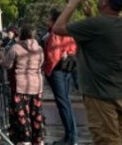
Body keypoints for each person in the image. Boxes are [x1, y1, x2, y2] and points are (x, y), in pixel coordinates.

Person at [53, 0, 122, 145]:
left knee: (106, 139)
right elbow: (101, 36)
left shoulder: (97, 24)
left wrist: (72, 4)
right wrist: (90, 16)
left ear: (105, 2)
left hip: (99, 94)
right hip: (118, 91)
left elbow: (58, 28)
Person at [3, 25, 45, 145]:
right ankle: (38, 140)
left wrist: (1, 60)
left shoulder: (15, 47)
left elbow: (8, 64)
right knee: (36, 115)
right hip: (37, 85)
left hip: (20, 86)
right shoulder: (40, 49)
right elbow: (41, 63)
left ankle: (25, 140)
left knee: (22, 116)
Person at [44, 8, 78, 145]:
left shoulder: (56, 31)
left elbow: (53, 53)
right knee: (66, 103)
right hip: (67, 68)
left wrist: (48, 70)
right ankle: (70, 135)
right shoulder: (69, 30)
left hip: (57, 69)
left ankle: (71, 137)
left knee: (63, 103)